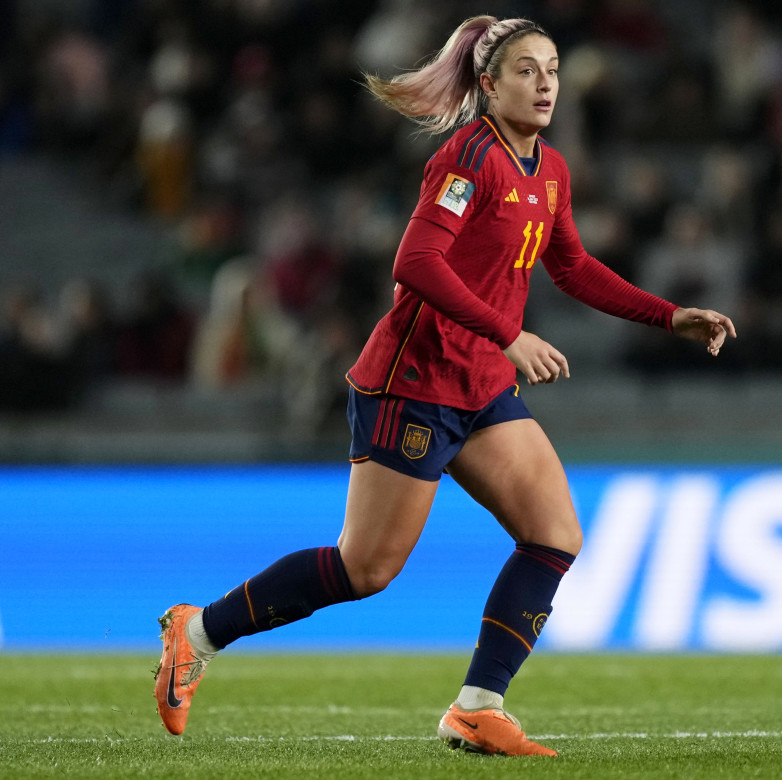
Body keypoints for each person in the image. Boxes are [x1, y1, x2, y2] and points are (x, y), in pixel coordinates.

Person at [153, 15, 736, 758]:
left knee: (554, 533)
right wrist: (509, 332)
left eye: (553, 67)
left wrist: (669, 315)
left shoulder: (548, 169)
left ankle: (477, 707)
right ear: (488, 84)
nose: (546, 82)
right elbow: (416, 264)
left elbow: (572, 267)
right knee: (365, 569)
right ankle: (197, 630)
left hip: (481, 383)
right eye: (527, 69)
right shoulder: (467, 159)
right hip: (417, 382)